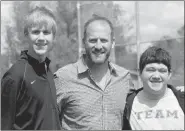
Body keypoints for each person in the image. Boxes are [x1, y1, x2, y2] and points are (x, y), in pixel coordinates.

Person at [54, 15, 132, 130]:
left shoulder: (124, 78)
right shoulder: (63, 78)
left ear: (113, 43)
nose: (98, 46)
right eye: (93, 40)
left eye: (104, 40)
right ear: (84, 42)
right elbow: (46, 121)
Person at [1, 7, 61, 130]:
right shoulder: (16, 75)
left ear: (53, 36)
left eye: (46, 32)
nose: (41, 38)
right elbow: (4, 125)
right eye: (35, 32)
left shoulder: (48, 72)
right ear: (26, 35)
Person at [122, 46, 184, 130]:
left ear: (169, 74)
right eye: (151, 70)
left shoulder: (182, 100)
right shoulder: (127, 104)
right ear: (140, 73)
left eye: (162, 71)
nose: (156, 76)